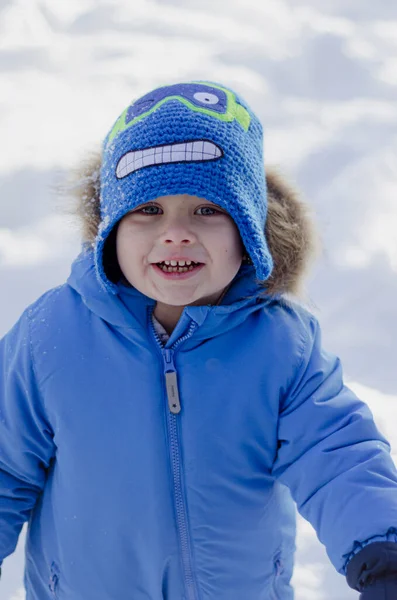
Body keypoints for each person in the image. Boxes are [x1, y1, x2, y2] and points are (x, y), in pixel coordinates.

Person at [1, 80, 397, 600]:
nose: (176, 232)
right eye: (149, 210)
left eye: (207, 210)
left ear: (249, 231)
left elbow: (337, 456)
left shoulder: (280, 345)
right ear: (111, 229)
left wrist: (382, 552)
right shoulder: (51, 336)